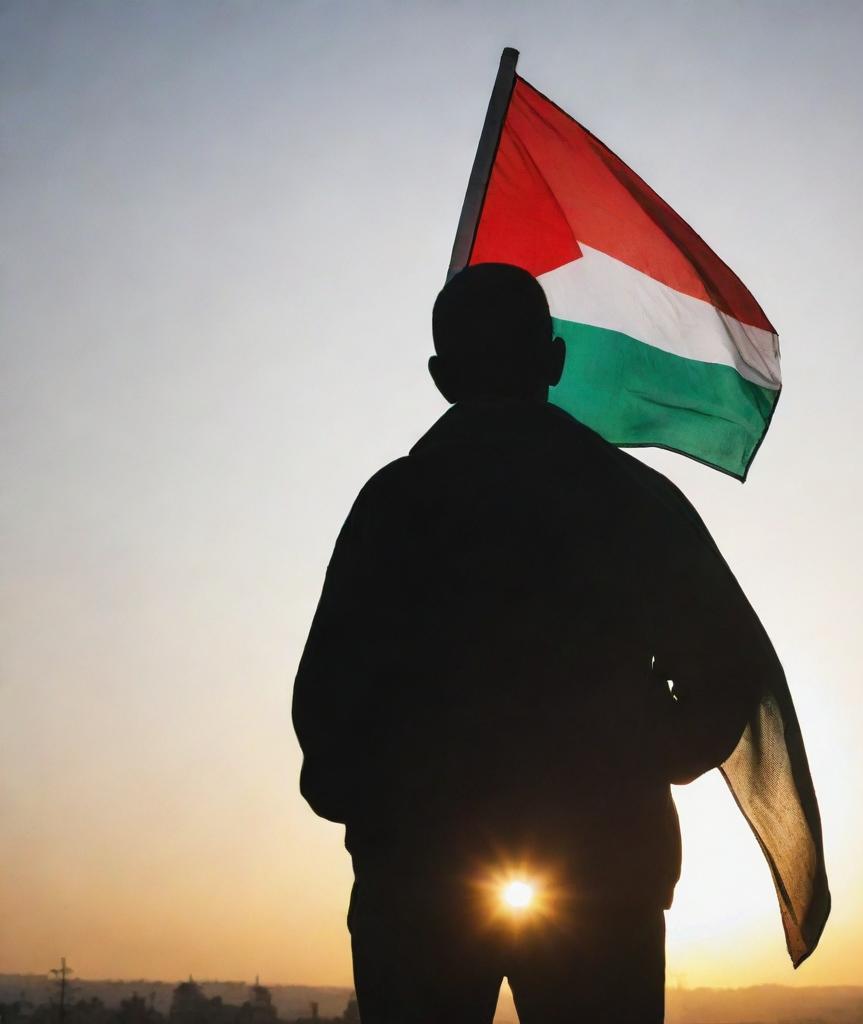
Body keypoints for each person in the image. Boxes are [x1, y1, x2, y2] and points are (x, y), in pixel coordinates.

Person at [292, 264, 819, 1023]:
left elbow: (328, 699)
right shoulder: (631, 501)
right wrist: (643, 757)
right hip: (602, 873)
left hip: (418, 881)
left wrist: (378, 802)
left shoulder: (394, 505)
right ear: (555, 363)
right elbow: (724, 672)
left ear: (442, 378)